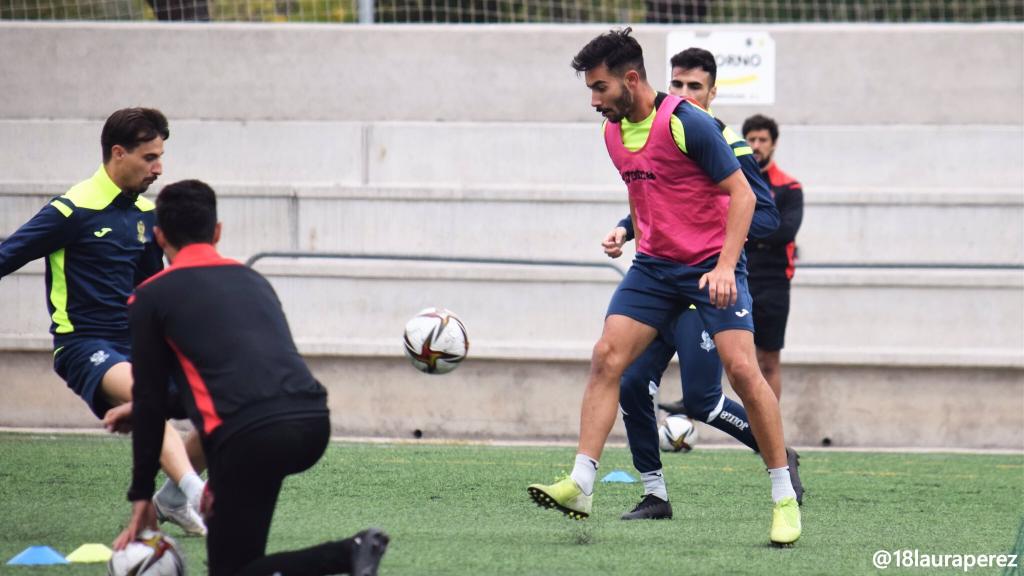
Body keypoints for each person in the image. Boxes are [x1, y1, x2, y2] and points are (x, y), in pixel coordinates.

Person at [527, 29, 801, 546]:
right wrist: (625, 229)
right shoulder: (611, 132)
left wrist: (723, 267)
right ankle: (581, 484)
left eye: (600, 88)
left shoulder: (687, 123)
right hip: (654, 268)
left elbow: (742, 197)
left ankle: (784, 494)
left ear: (631, 79)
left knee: (743, 372)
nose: (594, 100)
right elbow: (654, 189)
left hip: (708, 266)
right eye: (589, 89)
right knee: (608, 357)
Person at [109, 179, 389, 575]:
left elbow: (154, 399)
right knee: (243, 565)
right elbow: (244, 368)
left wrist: (141, 496)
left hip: (248, 436)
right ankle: (353, 552)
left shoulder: (149, 297)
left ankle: (349, 552)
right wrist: (147, 407)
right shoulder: (253, 279)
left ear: (158, 237)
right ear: (218, 231)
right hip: (310, 421)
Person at [606, 48, 802, 521]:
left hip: (708, 284)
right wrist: (626, 228)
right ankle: (655, 494)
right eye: (677, 85)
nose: (684, 94)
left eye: (695, 87)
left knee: (703, 399)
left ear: (713, 93)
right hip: (660, 280)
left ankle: (777, 455)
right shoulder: (659, 131)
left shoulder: (724, 142)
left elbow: (766, 214)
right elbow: (662, 198)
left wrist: (717, 253)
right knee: (631, 381)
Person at [0, 108, 207, 535]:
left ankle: (173, 499)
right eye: (149, 157)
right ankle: (198, 496)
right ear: (118, 153)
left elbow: (155, 289)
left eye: (161, 156)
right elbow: (5, 256)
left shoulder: (146, 217)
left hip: (140, 346)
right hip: (84, 346)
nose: (159, 167)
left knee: (221, 398)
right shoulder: (71, 210)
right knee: (147, 396)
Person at [741, 114, 804, 401]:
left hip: (775, 283)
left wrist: (743, 229)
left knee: (768, 360)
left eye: (762, 139)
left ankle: (769, 436)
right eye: (751, 139)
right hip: (739, 276)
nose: (756, 145)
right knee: (736, 360)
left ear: (773, 144)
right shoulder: (738, 183)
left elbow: (786, 231)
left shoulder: (790, 187)